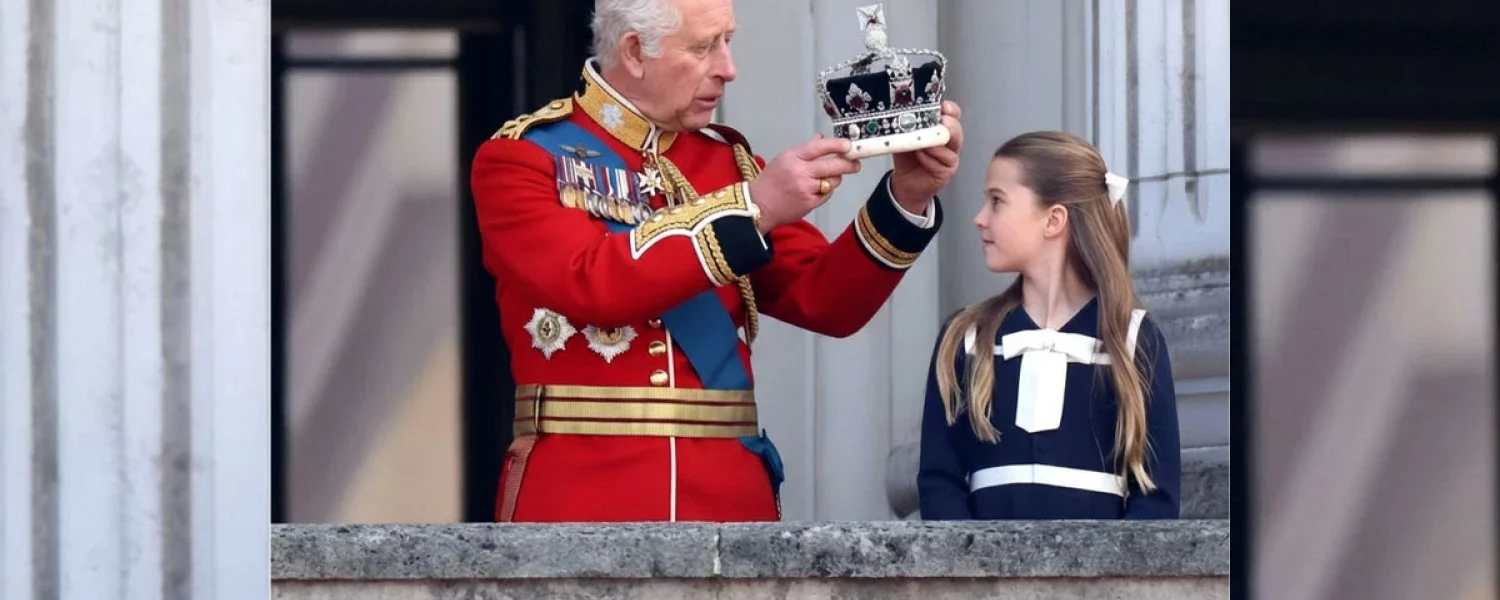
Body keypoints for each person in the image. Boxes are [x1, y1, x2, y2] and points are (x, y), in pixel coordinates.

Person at [470, 0, 965, 522]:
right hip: (582, 495)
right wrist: (754, 208)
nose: (729, 68)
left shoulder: (727, 163)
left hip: (730, 495)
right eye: (706, 47)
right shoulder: (524, 159)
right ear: (636, 52)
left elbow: (827, 300)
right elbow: (592, 283)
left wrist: (905, 198)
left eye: (727, 41)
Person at [916, 131, 1180, 520]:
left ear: (1053, 219)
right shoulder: (966, 336)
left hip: (1100, 576)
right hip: (983, 575)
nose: (979, 218)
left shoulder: (1133, 339)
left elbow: (1156, 497)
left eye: (996, 201)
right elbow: (940, 482)